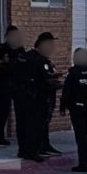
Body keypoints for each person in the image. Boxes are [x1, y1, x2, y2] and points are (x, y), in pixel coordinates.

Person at [12, 32, 63, 161]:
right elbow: (43, 80)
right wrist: (58, 84)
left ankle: (26, 150)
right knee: (33, 125)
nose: (52, 48)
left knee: (24, 124)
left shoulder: (25, 56)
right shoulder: (38, 60)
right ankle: (32, 151)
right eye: (50, 45)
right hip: (34, 97)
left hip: (22, 96)